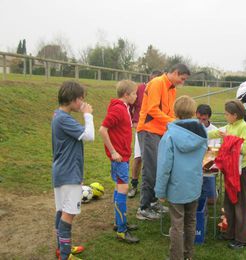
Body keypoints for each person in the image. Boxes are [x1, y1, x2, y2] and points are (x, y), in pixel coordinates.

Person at [155, 95, 208, 260]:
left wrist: (160, 191)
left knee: (177, 224)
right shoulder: (202, 133)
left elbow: (164, 167)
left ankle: (176, 257)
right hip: (193, 184)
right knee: (190, 221)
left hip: (176, 187)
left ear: (175, 112)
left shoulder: (169, 136)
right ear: (193, 112)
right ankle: (188, 255)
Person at [136, 64, 191, 220]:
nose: (183, 82)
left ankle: (154, 202)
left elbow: (169, 111)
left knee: (160, 168)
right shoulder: (157, 83)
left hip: (161, 131)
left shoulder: (171, 88)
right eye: (182, 78)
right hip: (148, 130)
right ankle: (143, 208)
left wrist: (174, 123)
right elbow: (152, 109)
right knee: (151, 168)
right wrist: (173, 122)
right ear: (174, 73)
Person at [51, 81, 94, 260]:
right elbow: (89, 136)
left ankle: (62, 248)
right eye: (81, 100)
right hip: (68, 174)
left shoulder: (58, 115)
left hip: (63, 172)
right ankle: (65, 255)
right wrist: (88, 115)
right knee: (68, 215)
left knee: (62, 211)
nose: (83, 103)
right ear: (74, 99)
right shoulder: (64, 119)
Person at [99, 80, 139, 244]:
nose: (136, 96)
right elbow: (103, 129)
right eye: (135, 93)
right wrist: (114, 151)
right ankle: (122, 231)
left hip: (123, 156)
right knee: (123, 189)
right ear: (126, 94)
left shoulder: (124, 108)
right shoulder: (117, 109)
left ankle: (119, 222)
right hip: (119, 158)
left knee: (119, 188)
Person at [209, 100, 246, 249]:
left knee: (239, 204)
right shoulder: (231, 125)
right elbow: (214, 132)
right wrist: (197, 132)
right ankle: (230, 232)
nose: (225, 116)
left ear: (235, 115)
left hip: (240, 171)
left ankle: (244, 239)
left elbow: (244, 149)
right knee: (229, 202)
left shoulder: (244, 127)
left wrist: (227, 137)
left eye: (227, 114)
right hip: (230, 170)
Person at [128, 70, 163, 198]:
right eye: (154, 80)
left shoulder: (162, 90)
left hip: (156, 130)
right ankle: (134, 185)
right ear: (150, 78)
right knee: (138, 158)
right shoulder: (140, 88)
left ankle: (153, 191)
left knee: (155, 160)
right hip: (142, 128)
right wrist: (134, 120)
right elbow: (130, 104)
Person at [196, 104, 220, 204]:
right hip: (194, 164)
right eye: (198, 118)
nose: (201, 122)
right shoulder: (193, 128)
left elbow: (215, 151)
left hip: (208, 165)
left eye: (204, 119)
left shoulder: (215, 130)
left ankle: (213, 191)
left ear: (209, 117)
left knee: (211, 201)